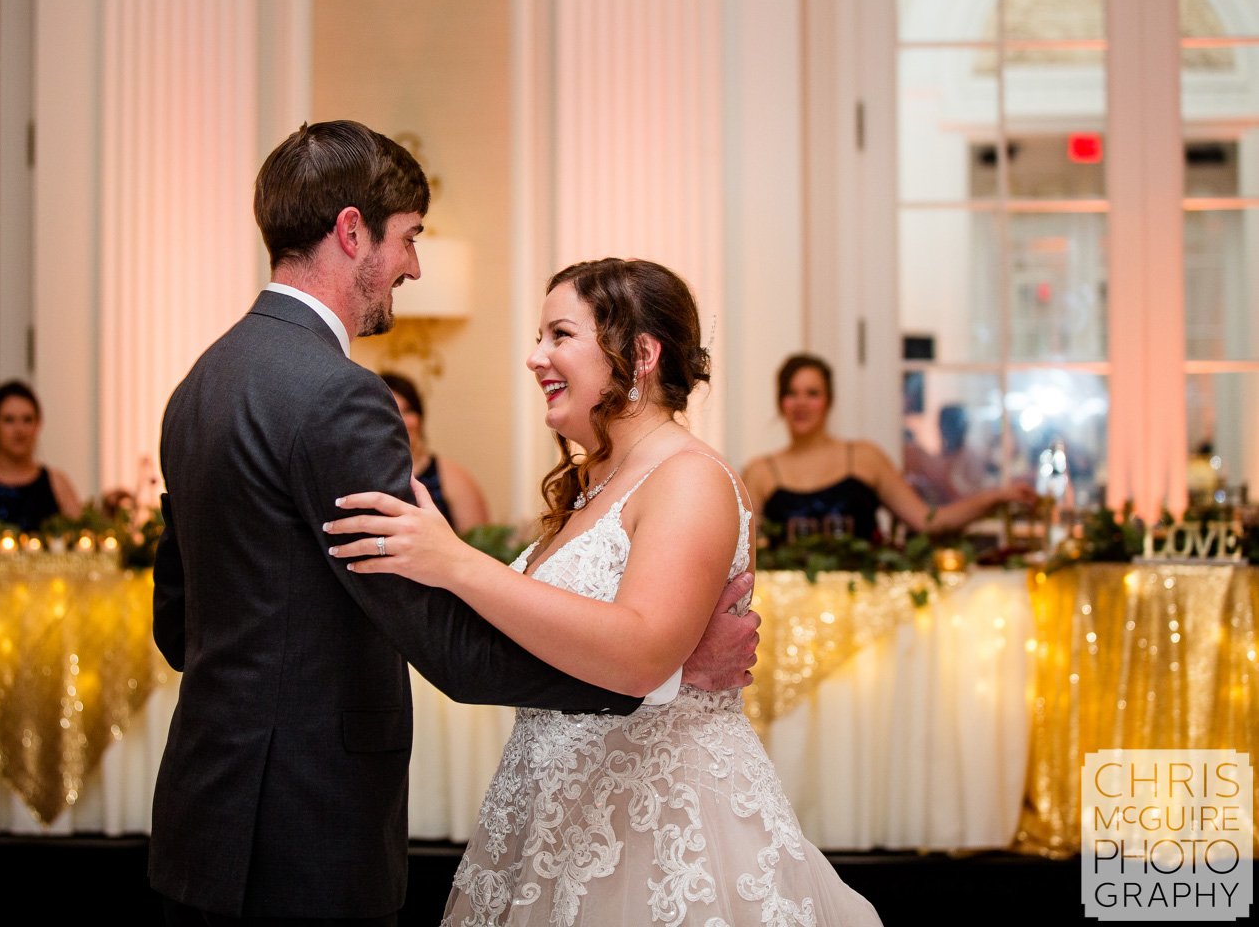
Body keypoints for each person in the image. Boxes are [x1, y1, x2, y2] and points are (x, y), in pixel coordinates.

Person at [149, 121, 759, 926]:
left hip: (204, 806)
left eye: (559, 335)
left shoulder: (199, 385)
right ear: (351, 231)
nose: (414, 265)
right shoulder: (338, 395)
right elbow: (449, 650)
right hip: (306, 820)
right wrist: (664, 672)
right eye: (408, 239)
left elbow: (176, 623)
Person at [330, 258, 881, 926]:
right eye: (539, 337)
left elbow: (643, 650)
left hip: (657, 821)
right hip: (555, 815)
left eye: (560, 334)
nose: (536, 358)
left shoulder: (688, 477)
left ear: (641, 354)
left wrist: (460, 563)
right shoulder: (593, 479)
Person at [742, 353, 1034, 544]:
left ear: (829, 401)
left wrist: (995, 498)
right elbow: (746, 559)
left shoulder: (865, 458)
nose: (801, 403)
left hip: (868, 610)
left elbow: (928, 521)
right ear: (780, 402)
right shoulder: (759, 473)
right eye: (792, 394)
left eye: (812, 393)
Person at [0, 380, 81, 538]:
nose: (19, 430)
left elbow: (82, 540)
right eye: (9, 420)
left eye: (27, 420)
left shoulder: (57, 483)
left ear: (38, 424)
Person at [378, 371, 491, 534]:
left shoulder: (450, 477)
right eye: (392, 411)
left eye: (408, 411)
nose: (402, 421)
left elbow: (482, 544)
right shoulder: (359, 475)